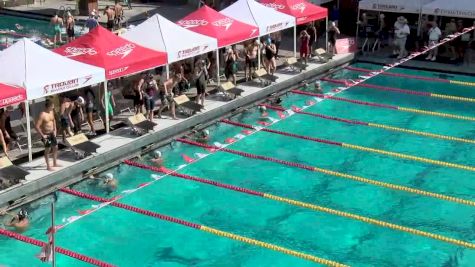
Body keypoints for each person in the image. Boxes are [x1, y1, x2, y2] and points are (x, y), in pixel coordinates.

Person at [35, 99, 60, 171]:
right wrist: (42, 135)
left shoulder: (51, 112)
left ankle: (55, 163)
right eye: (52, 106)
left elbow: (53, 120)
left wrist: (55, 129)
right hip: (46, 135)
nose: (53, 108)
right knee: (48, 150)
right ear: (48, 106)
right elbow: (37, 126)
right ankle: (48, 166)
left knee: (55, 147)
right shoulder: (42, 114)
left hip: (52, 133)